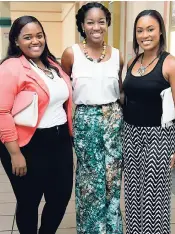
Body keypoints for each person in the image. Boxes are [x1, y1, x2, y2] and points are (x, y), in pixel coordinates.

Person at [0, 16, 73, 234]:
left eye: (39, 36)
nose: (35, 41)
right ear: (16, 41)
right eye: (28, 37)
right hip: (27, 144)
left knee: (60, 197)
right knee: (29, 202)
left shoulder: (52, 64)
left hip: (60, 141)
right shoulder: (11, 67)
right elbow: (2, 111)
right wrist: (15, 154)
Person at [122, 10, 175, 234]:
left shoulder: (171, 64)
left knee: (153, 199)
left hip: (158, 138)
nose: (145, 35)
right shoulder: (133, 62)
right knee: (132, 196)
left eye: (150, 29)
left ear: (160, 30)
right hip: (130, 136)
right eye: (140, 31)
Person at [61, 2, 124, 233]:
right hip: (86, 121)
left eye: (101, 21)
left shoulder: (118, 55)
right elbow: (65, 90)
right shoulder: (71, 53)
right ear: (82, 25)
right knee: (90, 182)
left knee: (112, 180)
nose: (96, 27)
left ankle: (112, 229)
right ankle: (91, 229)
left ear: (107, 23)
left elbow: (120, 91)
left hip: (114, 120)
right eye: (90, 22)